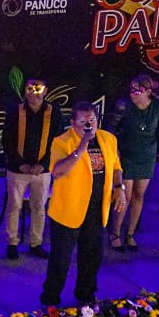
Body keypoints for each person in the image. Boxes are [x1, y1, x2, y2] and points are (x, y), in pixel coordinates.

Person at [41, 101, 126, 306]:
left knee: (92, 257)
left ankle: (85, 295)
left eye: (92, 120)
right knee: (60, 260)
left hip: (97, 209)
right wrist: (81, 147)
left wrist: (119, 188)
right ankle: (50, 299)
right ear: (72, 122)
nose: (89, 126)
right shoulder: (62, 142)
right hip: (68, 210)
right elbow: (58, 172)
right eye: (83, 122)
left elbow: (116, 166)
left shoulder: (108, 139)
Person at [105, 74, 159, 252]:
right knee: (125, 195)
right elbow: (111, 127)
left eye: (138, 90)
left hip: (147, 155)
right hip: (127, 154)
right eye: (132, 89)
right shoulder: (124, 105)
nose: (133, 93)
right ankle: (114, 233)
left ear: (148, 91)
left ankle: (130, 233)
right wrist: (114, 148)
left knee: (139, 195)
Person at [1, 78, 62, 261]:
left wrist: (43, 164)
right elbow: (7, 140)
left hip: (42, 170)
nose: (33, 93)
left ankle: (36, 243)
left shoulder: (54, 112)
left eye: (38, 89)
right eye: (29, 89)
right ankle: (12, 243)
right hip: (17, 168)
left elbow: (58, 142)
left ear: (45, 91)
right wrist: (20, 163)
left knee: (39, 207)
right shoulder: (15, 110)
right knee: (14, 206)